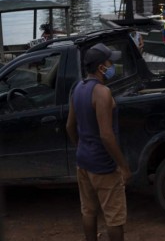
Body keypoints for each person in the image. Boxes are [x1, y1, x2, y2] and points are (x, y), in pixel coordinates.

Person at [66, 43, 131, 241]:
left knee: (89, 211)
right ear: (101, 67)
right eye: (110, 62)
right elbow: (106, 135)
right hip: (104, 166)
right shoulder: (102, 92)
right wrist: (123, 166)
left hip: (83, 162)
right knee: (114, 218)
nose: (113, 65)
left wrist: (82, 147)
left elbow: (70, 126)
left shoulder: (77, 88)